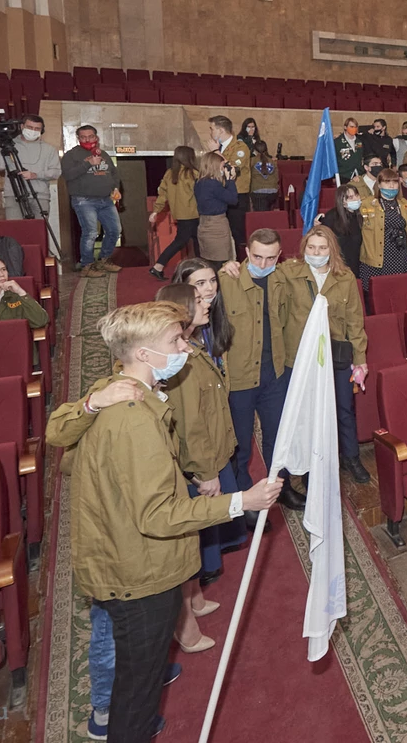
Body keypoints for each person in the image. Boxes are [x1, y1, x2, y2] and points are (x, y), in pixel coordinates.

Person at [53, 300, 280, 743]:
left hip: (123, 555)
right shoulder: (133, 420)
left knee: (138, 677)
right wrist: (241, 501)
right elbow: (159, 515)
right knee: (137, 696)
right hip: (140, 573)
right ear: (143, 354)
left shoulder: (122, 390)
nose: (185, 347)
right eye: (176, 340)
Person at [150, 282, 236, 653]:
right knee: (186, 546)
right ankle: (184, 627)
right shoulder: (180, 361)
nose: (207, 304)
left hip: (210, 454)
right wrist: (206, 473)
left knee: (197, 539)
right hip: (197, 466)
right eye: (198, 301)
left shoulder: (193, 346)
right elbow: (190, 424)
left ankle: (196, 597)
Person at [276, 228, 370, 484]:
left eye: (322, 248)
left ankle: (350, 457)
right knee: (305, 413)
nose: (316, 253)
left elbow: (354, 320)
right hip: (299, 356)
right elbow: (260, 270)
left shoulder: (345, 277)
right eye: (311, 247)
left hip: (334, 354)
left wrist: (360, 359)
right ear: (304, 248)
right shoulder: (288, 272)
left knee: (344, 409)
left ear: (332, 250)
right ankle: (307, 466)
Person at [217, 229, 296, 514]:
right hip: (240, 378)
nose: (263, 264)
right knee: (240, 444)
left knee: (279, 438)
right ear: (247, 253)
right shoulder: (226, 281)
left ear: (279, 256)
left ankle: (281, 488)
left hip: (273, 374)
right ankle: (245, 500)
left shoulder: (282, 279)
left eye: (270, 258)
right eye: (257, 257)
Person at [0, 114, 64, 240]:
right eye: (30, 127)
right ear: (22, 126)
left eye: (37, 129)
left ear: (42, 130)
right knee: (14, 233)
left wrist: (36, 175)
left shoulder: (49, 149)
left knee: (39, 234)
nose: (33, 131)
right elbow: (0, 166)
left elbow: (56, 172)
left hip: (40, 196)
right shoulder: (9, 146)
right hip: (14, 195)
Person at [62, 125, 123, 276]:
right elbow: (68, 175)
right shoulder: (71, 155)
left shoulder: (103, 154)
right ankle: (87, 266)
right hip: (84, 200)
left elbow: (114, 174)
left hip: (106, 199)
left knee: (115, 230)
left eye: (90, 136)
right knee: (90, 233)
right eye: (83, 137)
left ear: (96, 137)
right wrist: (88, 163)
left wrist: (115, 188)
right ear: (78, 138)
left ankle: (104, 260)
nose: (87, 140)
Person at [149, 146, 200, 280]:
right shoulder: (193, 174)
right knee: (181, 241)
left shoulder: (170, 173)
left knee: (196, 240)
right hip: (193, 213)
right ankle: (158, 266)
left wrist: (156, 211)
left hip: (179, 214)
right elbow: (200, 195)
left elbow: (162, 194)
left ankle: (200, 266)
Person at [359, 168, 407, 280]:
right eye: (387, 182)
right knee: (379, 288)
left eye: (395, 182)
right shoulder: (367, 203)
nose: (391, 186)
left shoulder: (404, 203)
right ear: (379, 184)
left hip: (401, 254)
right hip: (378, 257)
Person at [207, 116, 252, 254]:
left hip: (237, 195)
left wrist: (215, 152)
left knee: (237, 233)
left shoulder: (240, 147)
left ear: (221, 130)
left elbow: (231, 169)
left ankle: (241, 261)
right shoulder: (218, 147)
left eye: (212, 129)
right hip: (221, 194)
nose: (210, 132)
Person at [193, 151, 238, 262]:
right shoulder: (213, 184)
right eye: (222, 166)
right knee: (223, 261)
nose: (223, 169)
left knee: (209, 259)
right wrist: (230, 180)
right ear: (215, 166)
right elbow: (233, 199)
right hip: (216, 226)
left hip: (204, 224)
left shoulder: (199, 182)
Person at [319, 184, 363, 275]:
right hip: (337, 265)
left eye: (357, 195)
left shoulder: (361, 215)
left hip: (357, 264)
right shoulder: (331, 217)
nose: (356, 199)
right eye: (350, 197)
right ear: (341, 201)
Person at [249, 143, 279, 211]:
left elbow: (248, 176)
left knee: (261, 214)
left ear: (255, 151)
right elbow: (277, 178)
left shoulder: (252, 161)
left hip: (258, 192)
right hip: (273, 192)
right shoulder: (272, 161)